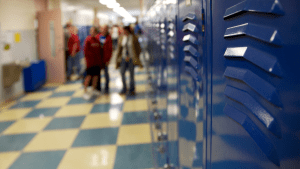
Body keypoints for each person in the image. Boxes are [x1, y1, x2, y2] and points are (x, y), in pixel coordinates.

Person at [116, 26, 143, 95]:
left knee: (131, 74)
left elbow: (138, 48)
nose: (123, 32)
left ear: (127, 31)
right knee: (122, 73)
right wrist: (118, 58)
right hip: (123, 58)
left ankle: (132, 89)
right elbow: (119, 48)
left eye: (124, 31)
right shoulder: (122, 38)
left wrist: (136, 56)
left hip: (131, 59)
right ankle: (124, 88)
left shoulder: (134, 38)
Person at [83, 26, 102, 100]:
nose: (92, 32)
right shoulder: (88, 40)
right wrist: (86, 61)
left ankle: (93, 90)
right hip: (90, 62)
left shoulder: (97, 40)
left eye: (94, 31)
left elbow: (99, 51)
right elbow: (85, 52)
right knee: (89, 76)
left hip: (97, 62)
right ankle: (85, 90)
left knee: (96, 76)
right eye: (91, 31)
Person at [96, 25, 113, 94]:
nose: (103, 30)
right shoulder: (98, 36)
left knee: (106, 74)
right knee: (98, 75)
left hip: (105, 59)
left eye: (105, 29)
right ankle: (98, 88)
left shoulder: (108, 37)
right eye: (102, 29)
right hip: (98, 59)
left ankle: (106, 88)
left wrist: (108, 60)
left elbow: (110, 49)